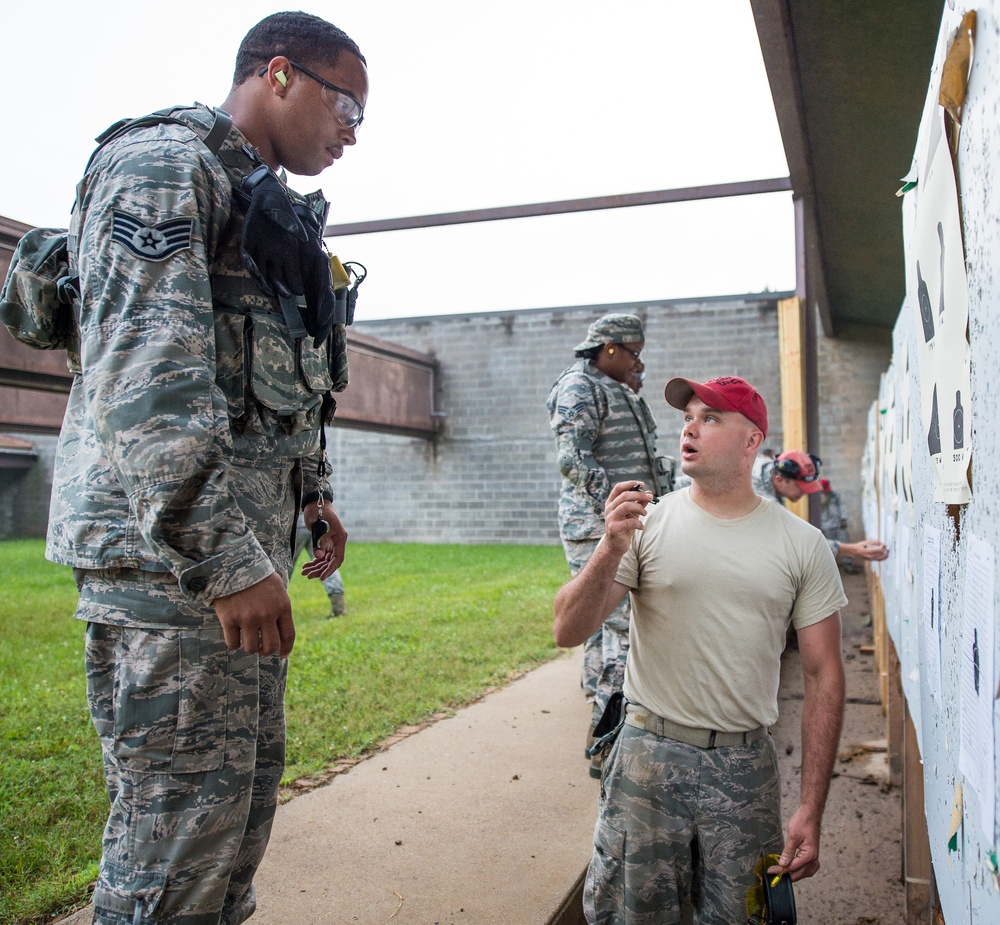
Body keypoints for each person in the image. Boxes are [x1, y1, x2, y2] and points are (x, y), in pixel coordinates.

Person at [45, 12, 365, 923]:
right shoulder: (163, 165)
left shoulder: (262, 198)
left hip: (236, 568)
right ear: (278, 74)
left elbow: (274, 375)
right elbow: (151, 379)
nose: (351, 131)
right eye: (345, 105)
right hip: (176, 577)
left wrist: (313, 496)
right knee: (172, 857)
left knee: (230, 842)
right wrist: (224, 559)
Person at [553, 375, 847, 924]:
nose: (690, 427)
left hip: (744, 770)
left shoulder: (801, 546)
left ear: (752, 439)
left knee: (742, 917)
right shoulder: (647, 523)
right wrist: (609, 547)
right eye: (688, 417)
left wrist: (811, 806)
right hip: (647, 758)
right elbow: (568, 629)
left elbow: (825, 676)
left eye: (711, 418)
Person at [545, 313, 672, 776]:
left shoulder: (618, 388)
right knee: (621, 625)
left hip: (623, 521)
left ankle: (600, 711)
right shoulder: (581, 385)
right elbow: (573, 459)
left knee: (605, 624)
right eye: (634, 353)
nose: (639, 362)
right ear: (611, 347)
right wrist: (615, 509)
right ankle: (609, 744)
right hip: (599, 526)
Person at [755, 450, 888, 567]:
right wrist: (852, 550)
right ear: (779, 480)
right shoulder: (760, 499)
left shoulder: (766, 468)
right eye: (800, 488)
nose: (804, 492)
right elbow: (792, 544)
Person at [293, 514, 347, 616]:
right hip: (317, 524)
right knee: (326, 562)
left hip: (295, 526)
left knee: (284, 566)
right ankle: (338, 606)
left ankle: (273, 606)